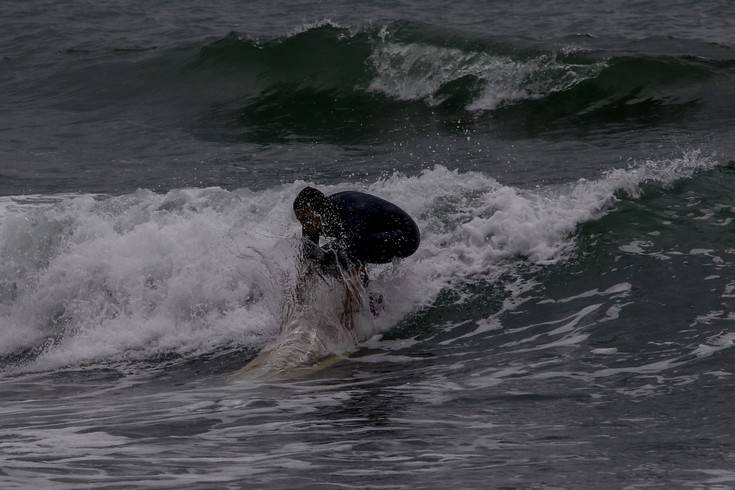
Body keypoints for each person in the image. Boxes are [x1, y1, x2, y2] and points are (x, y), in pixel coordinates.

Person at [293, 186, 420, 280]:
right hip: (369, 237)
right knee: (323, 259)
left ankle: (363, 303)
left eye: (306, 219)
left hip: (404, 236)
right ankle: (364, 297)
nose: (305, 225)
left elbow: (356, 250)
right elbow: (309, 258)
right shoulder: (312, 221)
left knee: (341, 254)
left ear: (318, 210)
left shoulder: (351, 208)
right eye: (301, 221)